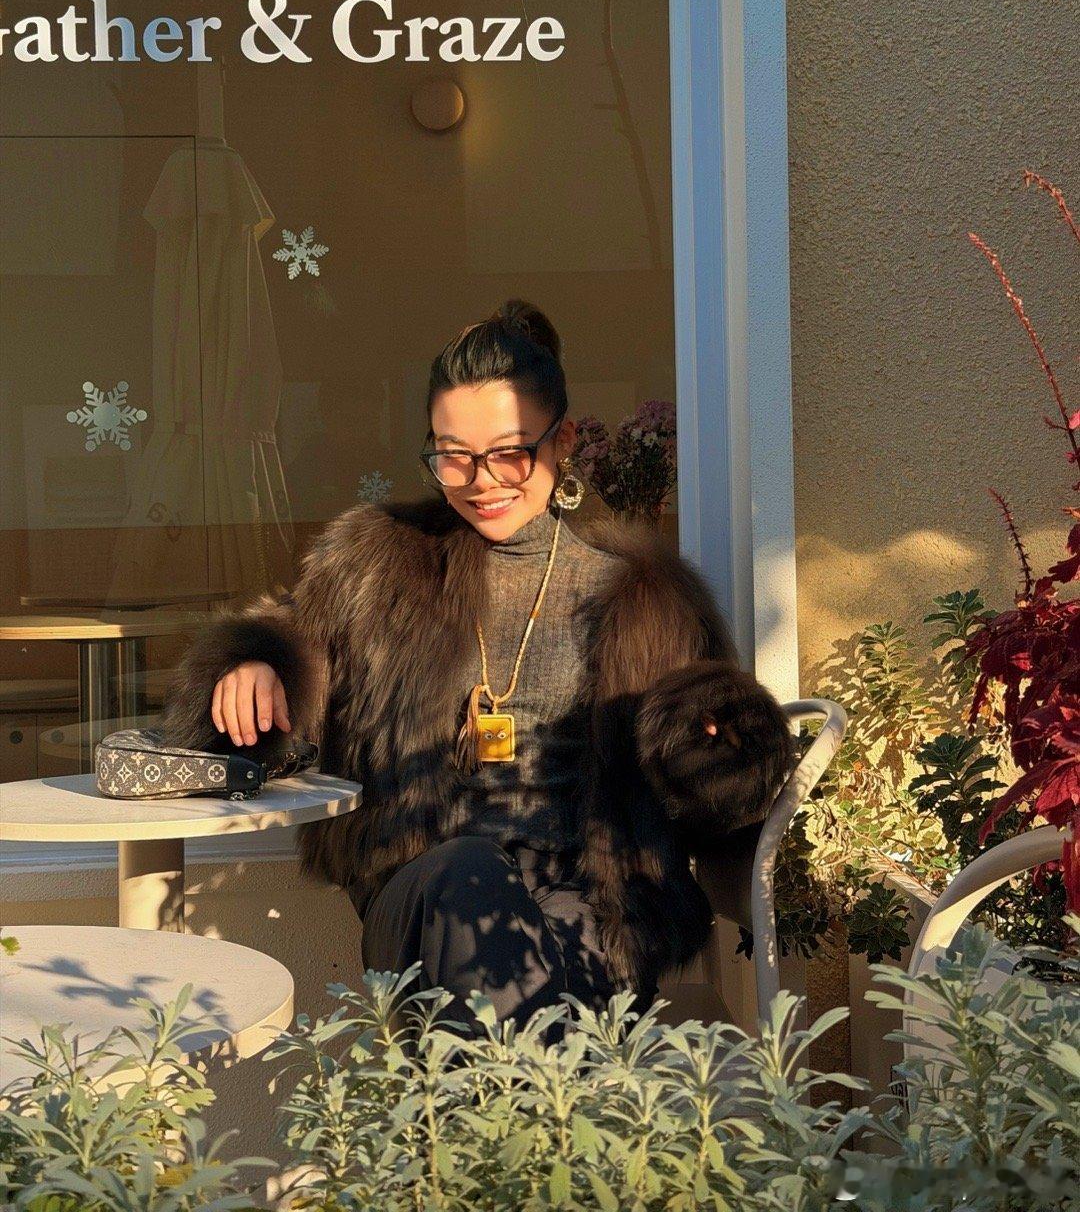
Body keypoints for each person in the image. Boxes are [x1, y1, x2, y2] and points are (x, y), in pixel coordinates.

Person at [161, 300, 793, 1035]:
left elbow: (714, 805)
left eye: (509, 453)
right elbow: (290, 640)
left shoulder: (645, 599)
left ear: (563, 442)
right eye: (452, 454)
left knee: (566, 956)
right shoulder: (380, 567)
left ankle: (508, 1105)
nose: (480, 480)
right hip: (427, 890)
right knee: (470, 877)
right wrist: (256, 663)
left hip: (592, 900)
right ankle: (550, 1102)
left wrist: (722, 744)